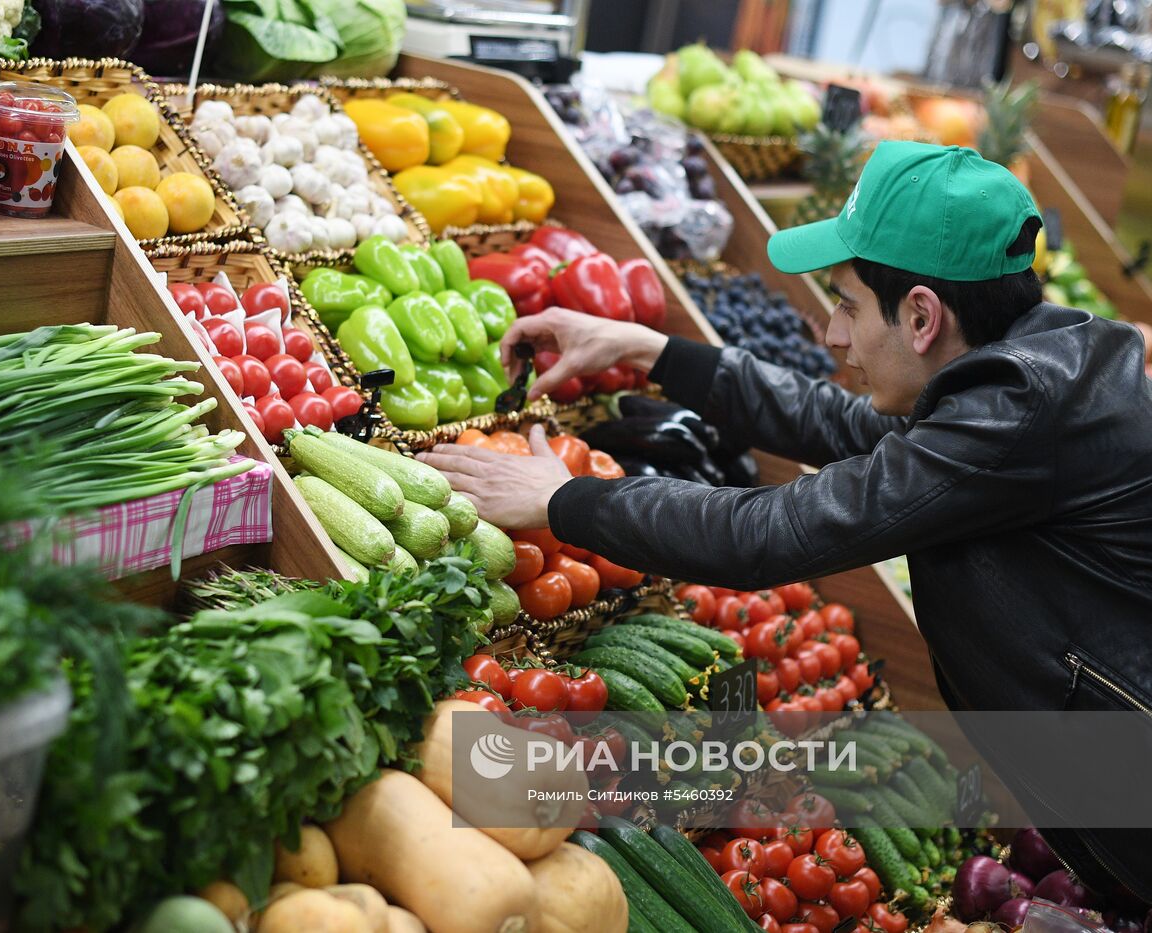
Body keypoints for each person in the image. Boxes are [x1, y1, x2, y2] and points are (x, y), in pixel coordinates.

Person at [417, 141, 1152, 897]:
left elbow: (767, 534)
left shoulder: (1018, 409)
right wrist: (655, 351)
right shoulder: (1030, 368)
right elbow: (843, 424)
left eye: (848, 305)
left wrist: (563, 498)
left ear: (923, 316)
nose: (834, 334)